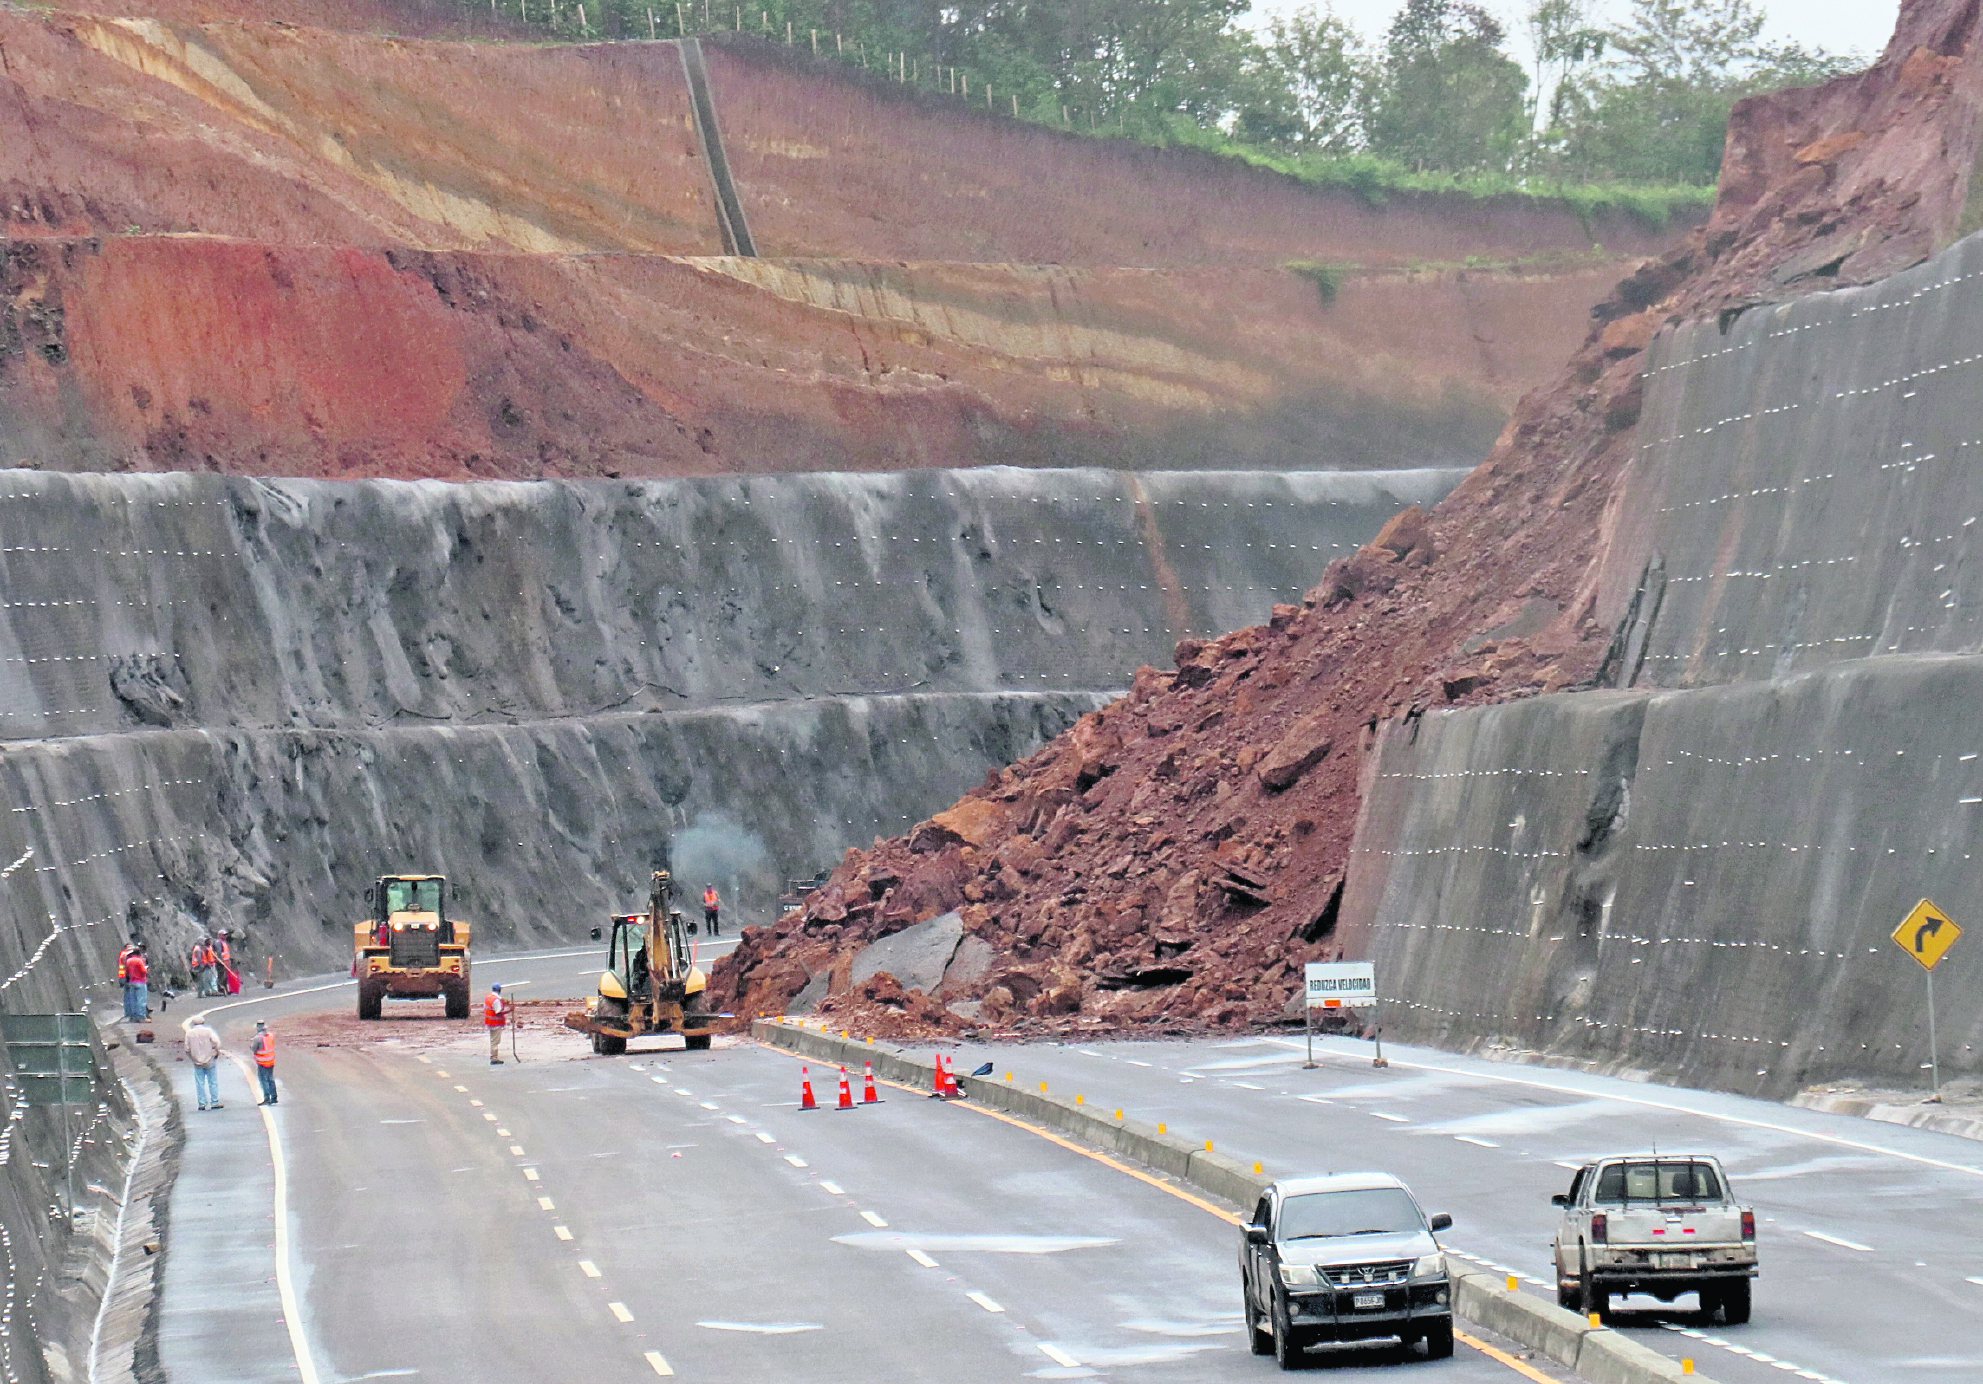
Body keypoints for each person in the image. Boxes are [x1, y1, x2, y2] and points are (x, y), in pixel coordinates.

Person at [185, 1016, 225, 1110]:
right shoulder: (208, 1031)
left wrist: (192, 1058)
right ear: (203, 1022)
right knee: (213, 1081)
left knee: (199, 1083)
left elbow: (187, 1049)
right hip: (209, 1059)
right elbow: (216, 1042)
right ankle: (214, 1102)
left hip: (197, 1061)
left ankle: (202, 1103)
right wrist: (215, 1051)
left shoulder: (189, 1033)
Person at [483, 982, 512, 1065]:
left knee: (493, 1041)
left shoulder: (488, 997)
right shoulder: (496, 1000)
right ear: (499, 990)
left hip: (489, 1022)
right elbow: (498, 1012)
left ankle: (493, 1056)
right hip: (495, 1023)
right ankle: (494, 1058)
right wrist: (509, 1010)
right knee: (495, 1042)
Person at [251, 1021, 277, 1105]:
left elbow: (254, 1049)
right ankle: (274, 1097)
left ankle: (267, 1098)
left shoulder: (257, 1038)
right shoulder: (270, 1035)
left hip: (262, 1062)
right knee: (270, 1079)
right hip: (271, 1061)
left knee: (263, 1080)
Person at [123, 947, 149, 1023]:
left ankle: (134, 1017)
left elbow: (126, 972)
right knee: (141, 1000)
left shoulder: (128, 961)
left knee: (133, 1000)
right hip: (140, 982)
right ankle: (141, 1017)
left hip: (131, 982)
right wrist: (146, 969)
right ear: (138, 953)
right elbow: (143, 971)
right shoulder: (139, 960)